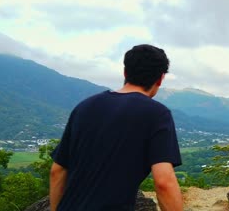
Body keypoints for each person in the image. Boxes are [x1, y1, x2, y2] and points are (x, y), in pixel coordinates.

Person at [49, 44, 183, 211]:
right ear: (160, 78)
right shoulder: (157, 114)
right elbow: (163, 181)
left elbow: (58, 170)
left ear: (125, 72)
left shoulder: (84, 107)